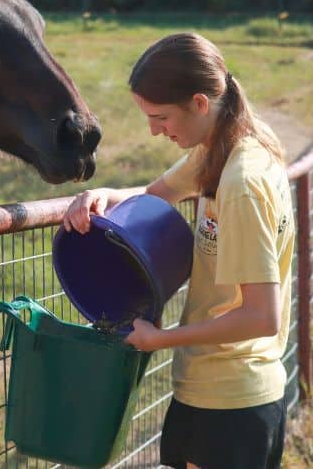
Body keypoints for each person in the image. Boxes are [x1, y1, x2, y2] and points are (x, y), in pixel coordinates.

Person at [63, 32, 294, 469]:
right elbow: (156, 195)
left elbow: (263, 316)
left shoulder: (241, 182)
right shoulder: (226, 143)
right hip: (215, 392)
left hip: (230, 403)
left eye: (161, 116)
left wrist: (161, 339)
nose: (153, 130)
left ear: (200, 104)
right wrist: (107, 195)